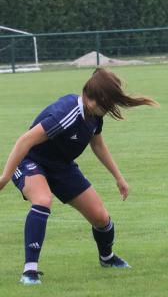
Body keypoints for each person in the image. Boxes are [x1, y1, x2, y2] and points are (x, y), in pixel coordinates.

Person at [0, 68, 158, 285]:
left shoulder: (94, 116)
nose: (107, 108)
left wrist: (118, 177)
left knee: (101, 218)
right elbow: (24, 141)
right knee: (43, 200)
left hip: (62, 167)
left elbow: (98, 144)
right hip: (31, 161)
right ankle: (30, 271)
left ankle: (107, 258)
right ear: (88, 96)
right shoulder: (66, 113)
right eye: (104, 103)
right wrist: (5, 177)